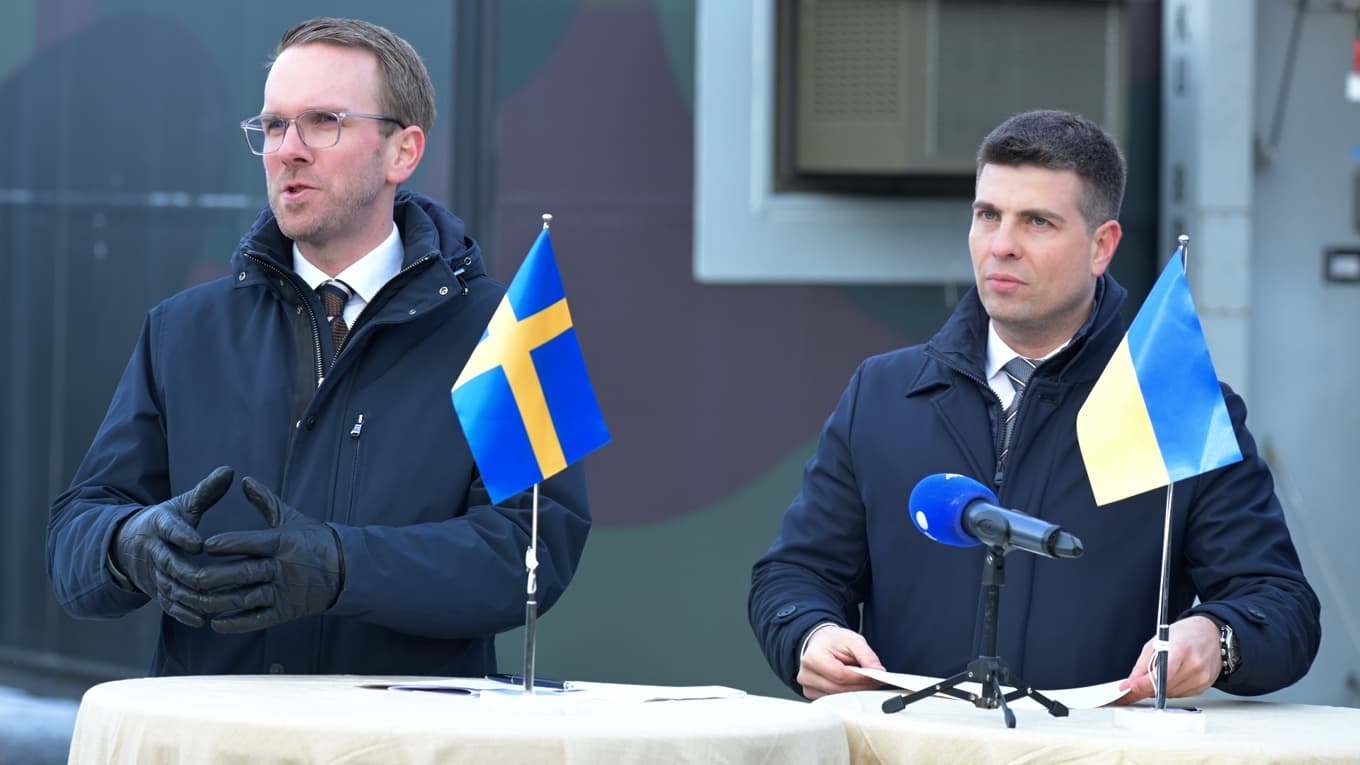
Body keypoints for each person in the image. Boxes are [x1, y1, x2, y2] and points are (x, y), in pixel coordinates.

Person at [46, 17, 591, 676]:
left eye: (323, 121)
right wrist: (125, 546)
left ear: (403, 152)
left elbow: (536, 551)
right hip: (217, 743)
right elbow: (74, 531)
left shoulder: (515, 331)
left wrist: (341, 567)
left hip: (411, 745)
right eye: (274, 126)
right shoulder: (180, 329)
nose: (288, 150)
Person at [748, 110, 1320, 703]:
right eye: (987, 215)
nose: (1001, 245)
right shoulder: (882, 393)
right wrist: (807, 634)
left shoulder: (1177, 409)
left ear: (1102, 246)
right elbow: (794, 576)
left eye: (1037, 222)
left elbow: (1283, 610)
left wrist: (1216, 638)